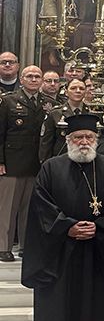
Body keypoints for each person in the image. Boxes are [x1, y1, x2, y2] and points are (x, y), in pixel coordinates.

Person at [21, 114, 104, 321]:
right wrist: (67, 226)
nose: (84, 142)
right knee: (57, 307)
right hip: (60, 254)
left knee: (93, 306)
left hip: (96, 251)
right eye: (78, 137)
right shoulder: (51, 167)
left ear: (96, 139)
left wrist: (99, 227)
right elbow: (41, 205)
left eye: (89, 137)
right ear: (68, 140)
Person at [0, 65, 46, 262]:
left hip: (36, 164)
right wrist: (0, 160)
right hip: (13, 163)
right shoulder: (8, 101)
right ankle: (4, 246)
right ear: (22, 79)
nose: (34, 79)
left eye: (37, 76)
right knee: (8, 208)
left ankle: (26, 246)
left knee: (30, 209)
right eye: (30, 76)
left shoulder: (48, 103)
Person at [39, 78, 87, 162]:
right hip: (61, 161)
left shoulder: (92, 113)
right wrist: (46, 164)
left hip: (85, 159)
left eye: (81, 88)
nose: (78, 91)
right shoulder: (55, 113)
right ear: (66, 92)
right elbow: (46, 143)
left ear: (85, 92)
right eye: (73, 88)